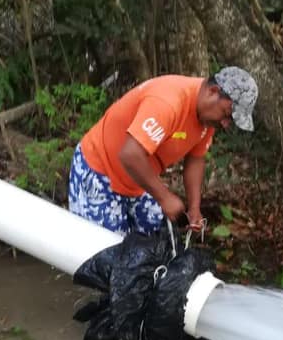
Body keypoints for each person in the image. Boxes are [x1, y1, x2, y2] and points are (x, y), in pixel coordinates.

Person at [68, 67, 258, 235]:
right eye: (226, 115)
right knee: (105, 253)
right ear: (213, 91)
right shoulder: (168, 103)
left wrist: (194, 207)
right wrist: (165, 197)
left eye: (230, 120)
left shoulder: (207, 119)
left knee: (153, 236)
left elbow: (196, 158)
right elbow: (130, 154)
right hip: (101, 170)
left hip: (138, 178)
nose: (225, 124)